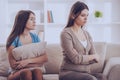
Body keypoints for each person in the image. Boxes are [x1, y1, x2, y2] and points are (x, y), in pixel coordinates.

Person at [59, 1, 107, 80]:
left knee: (102, 77)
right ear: (73, 15)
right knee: (91, 79)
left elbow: (95, 59)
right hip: (68, 72)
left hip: (85, 73)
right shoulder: (66, 34)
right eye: (82, 15)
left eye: (87, 15)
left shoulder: (87, 34)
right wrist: (91, 57)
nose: (86, 18)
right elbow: (75, 59)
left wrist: (82, 57)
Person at [6, 10, 48, 80]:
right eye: (31, 19)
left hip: (33, 69)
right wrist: (36, 63)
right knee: (26, 72)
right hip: (15, 72)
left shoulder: (35, 37)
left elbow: (45, 58)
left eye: (34, 19)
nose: (34, 22)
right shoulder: (13, 39)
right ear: (23, 21)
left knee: (37, 71)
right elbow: (13, 65)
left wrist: (27, 61)